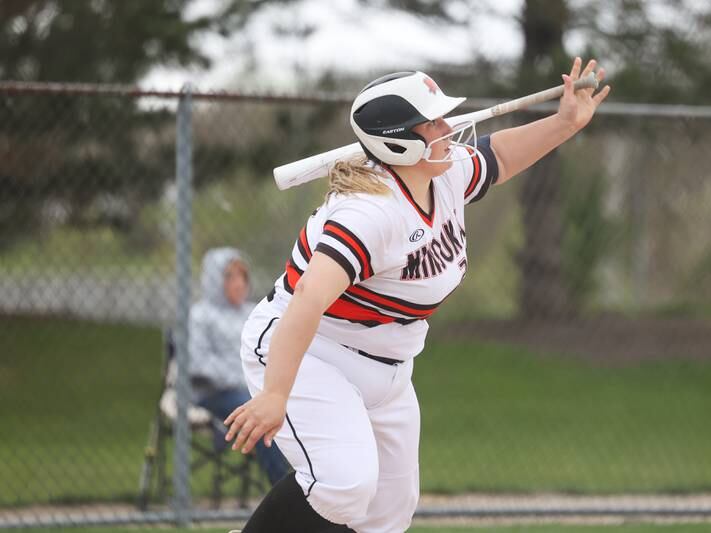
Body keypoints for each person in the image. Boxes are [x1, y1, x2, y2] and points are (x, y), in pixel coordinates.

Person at [225, 58, 610, 533]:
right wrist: (277, 393)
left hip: (388, 363)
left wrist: (564, 122)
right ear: (397, 143)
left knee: (389, 511)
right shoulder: (369, 213)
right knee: (345, 485)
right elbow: (306, 298)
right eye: (432, 123)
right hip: (310, 351)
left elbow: (502, 157)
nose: (448, 128)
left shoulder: (441, 176)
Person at [189, 247, 290, 485]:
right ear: (215, 280)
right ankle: (285, 487)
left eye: (242, 276)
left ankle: (309, 484)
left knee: (285, 408)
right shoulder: (200, 315)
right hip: (213, 393)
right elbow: (198, 364)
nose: (239, 283)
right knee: (260, 414)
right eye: (230, 276)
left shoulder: (254, 312)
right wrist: (242, 377)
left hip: (253, 390)